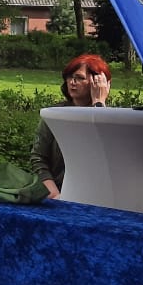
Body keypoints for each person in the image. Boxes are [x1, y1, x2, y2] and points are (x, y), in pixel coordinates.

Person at [32, 53, 111, 198]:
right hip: (57, 193)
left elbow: (102, 156)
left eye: (80, 78)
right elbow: (38, 158)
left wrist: (98, 105)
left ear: (99, 81)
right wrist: (55, 195)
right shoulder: (54, 115)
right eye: (69, 77)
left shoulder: (112, 119)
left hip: (96, 196)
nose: (72, 82)